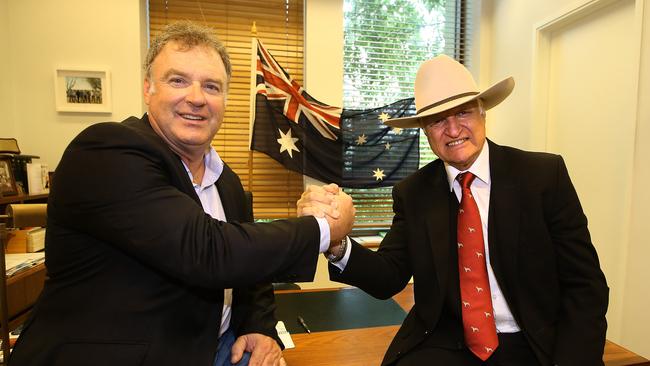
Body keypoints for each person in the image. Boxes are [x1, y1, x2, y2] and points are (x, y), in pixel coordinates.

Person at [9, 21, 353, 366]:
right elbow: (207, 250)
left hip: (218, 348)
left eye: (212, 86)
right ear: (147, 88)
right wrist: (324, 228)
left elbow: (251, 272)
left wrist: (260, 327)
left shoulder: (227, 182)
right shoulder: (108, 152)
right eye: (178, 80)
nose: (196, 98)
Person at [299, 55, 608, 365]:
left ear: (483, 112)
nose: (453, 129)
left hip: (530, 340)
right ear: (424, 129)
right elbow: (389, 275)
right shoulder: (414, 193)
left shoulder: (542, 176)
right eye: (437, 120)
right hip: (447, 341)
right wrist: (336, 243)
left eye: (463, 112)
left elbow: (585, 285)